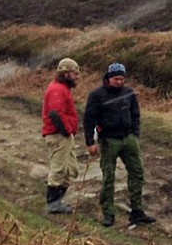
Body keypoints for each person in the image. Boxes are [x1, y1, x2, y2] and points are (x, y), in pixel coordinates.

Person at [83, 63, 156, 227]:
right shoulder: (96, 95)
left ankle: (137, 211)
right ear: (108, 78)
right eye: (116, 78)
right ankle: (108, 213)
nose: (119, 82)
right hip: (109, 140)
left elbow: (135, 114)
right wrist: (90, 142)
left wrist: (135, 134)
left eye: (122, 79)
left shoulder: (129, 93)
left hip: (129, 138)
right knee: (109, 177)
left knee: (137, 172)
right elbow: (89, 119)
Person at [41, 58, 81, 214]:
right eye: (74, 73)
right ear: (65, 74)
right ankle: (53, 203)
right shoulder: (57, 89)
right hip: (58, 135)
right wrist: (66, 131)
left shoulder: (62, 88)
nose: (77, 77)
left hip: (63, 135)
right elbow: (55, 113)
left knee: (71, 169)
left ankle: (58, 202)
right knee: (58, 169)